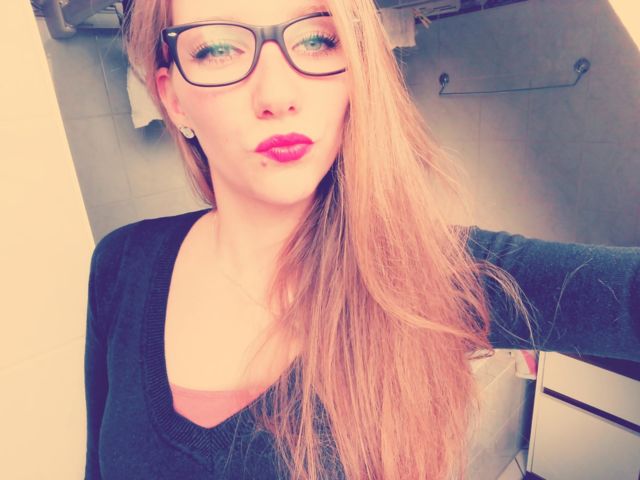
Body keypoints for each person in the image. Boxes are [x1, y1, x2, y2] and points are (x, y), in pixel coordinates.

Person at [85, 0, 640, 478]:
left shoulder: (431, 270)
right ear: (173, 98)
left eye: (317, 39)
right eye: (217, 50)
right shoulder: (121, 262)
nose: (277, 95)